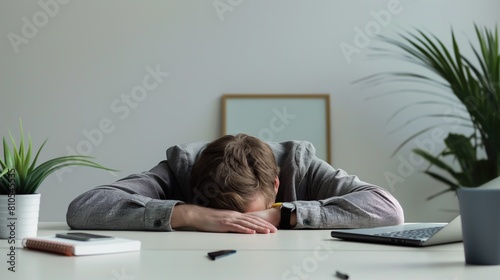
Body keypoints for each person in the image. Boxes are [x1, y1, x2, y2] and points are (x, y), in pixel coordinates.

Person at [66, 134, 404, 234]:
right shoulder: (180, 169)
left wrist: (280, 215)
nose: (242, 228)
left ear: (277, 184)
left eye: (251, 218)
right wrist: (189, 214)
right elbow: (84, 208)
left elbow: (387, 208)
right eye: (226, 220)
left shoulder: (298, 167)